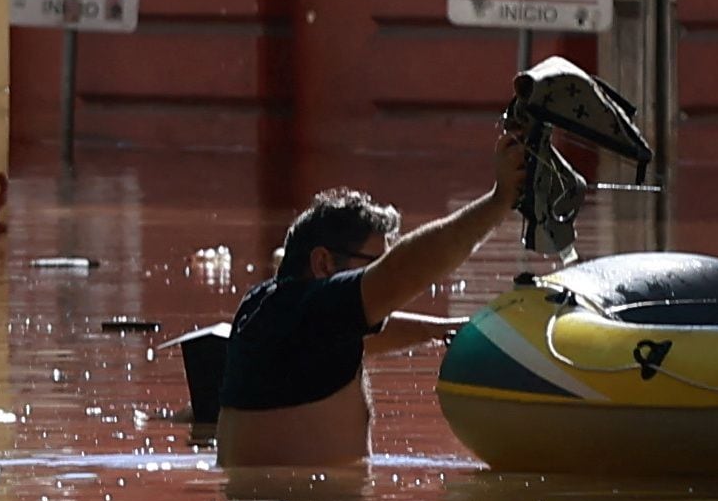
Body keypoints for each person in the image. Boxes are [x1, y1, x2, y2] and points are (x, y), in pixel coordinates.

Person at [217, 124, 531, 471]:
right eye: (372, 268)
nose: (377, 279)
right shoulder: (310, 311)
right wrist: (499, 201)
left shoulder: (271, 309)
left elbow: (363, 334)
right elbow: (402, 272)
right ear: (323, 262)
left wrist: (440, 330)